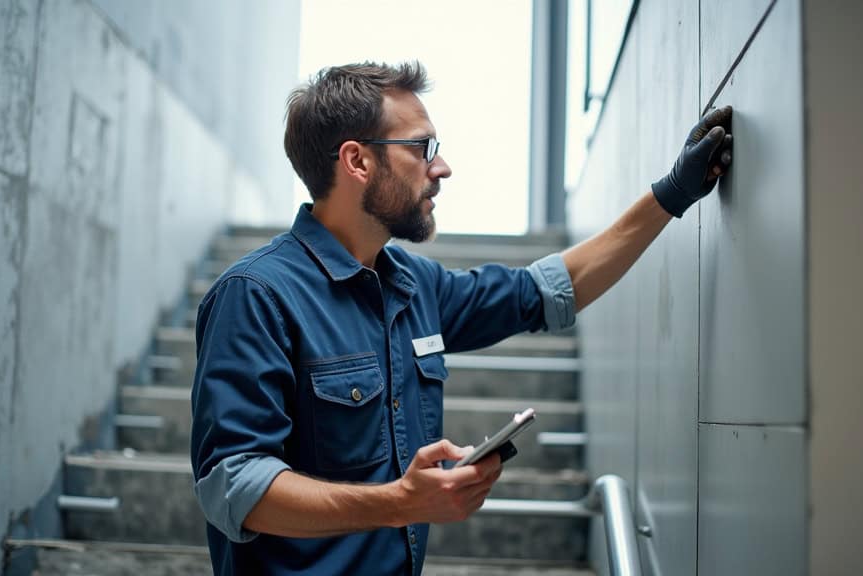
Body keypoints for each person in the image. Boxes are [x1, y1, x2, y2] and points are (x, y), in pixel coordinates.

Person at [190, 61, 732, 576]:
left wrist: (674, 193)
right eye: (422, 148)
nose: (441, 168)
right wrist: (399, 503)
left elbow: (545, 292)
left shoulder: (412, 283)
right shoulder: (255, 295)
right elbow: (236, 486)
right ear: (357, 161)